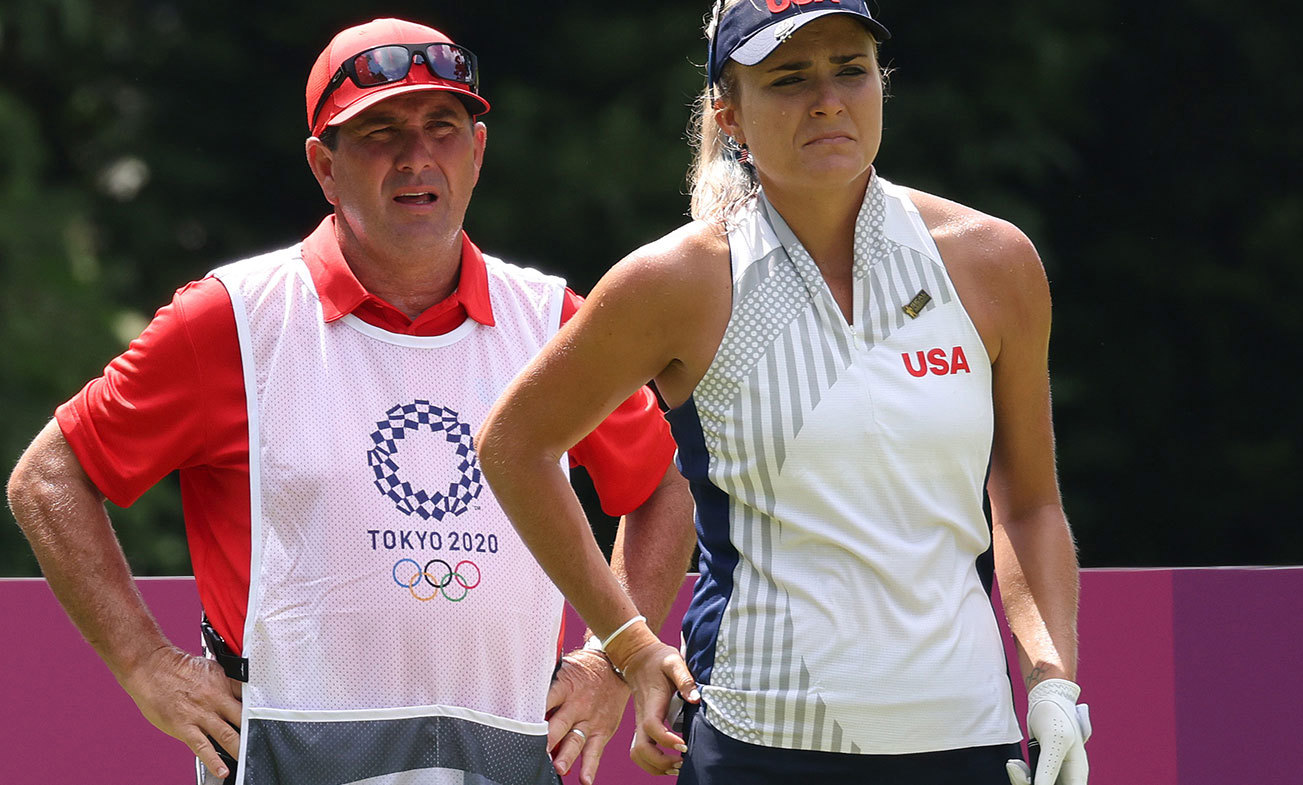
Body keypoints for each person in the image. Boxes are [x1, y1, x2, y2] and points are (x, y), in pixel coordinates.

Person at [6, 17, 696, 785]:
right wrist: (143, 664)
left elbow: (666, 483)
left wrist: (612, 658)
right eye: (378, 133)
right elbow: (47, 478)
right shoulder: (231, 318)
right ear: (324, 168)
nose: (416, 156)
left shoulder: (551, 321)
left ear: (478, 152)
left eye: (443, 125)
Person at [476, 1, 1092, 783]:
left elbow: (1029, 502)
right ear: (729, 114)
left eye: (851, 71)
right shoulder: (677, 281)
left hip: (967, 737)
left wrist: (1052, 677)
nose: (828, 99)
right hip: (758, 745)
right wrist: (628, 645)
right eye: (790, 78)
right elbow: (513, 445)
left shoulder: (994, 263)